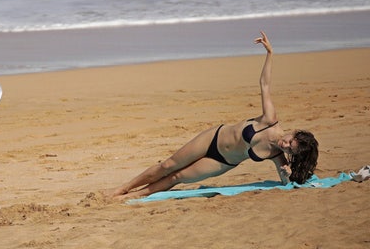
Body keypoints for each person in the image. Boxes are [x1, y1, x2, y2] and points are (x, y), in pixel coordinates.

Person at [105, 31, 319, 201]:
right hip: (214, 137)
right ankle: (122, 189)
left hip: (223, 161)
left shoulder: (276, 155)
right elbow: (264, 85)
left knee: (177, 178)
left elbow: (285, 182)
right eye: (290, 140)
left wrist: (287, 173)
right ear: (293, 133)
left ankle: (136, 195)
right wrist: (270, 54)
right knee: (168, 165)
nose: (285, 144)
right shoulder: (270, 121)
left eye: (290, 148)